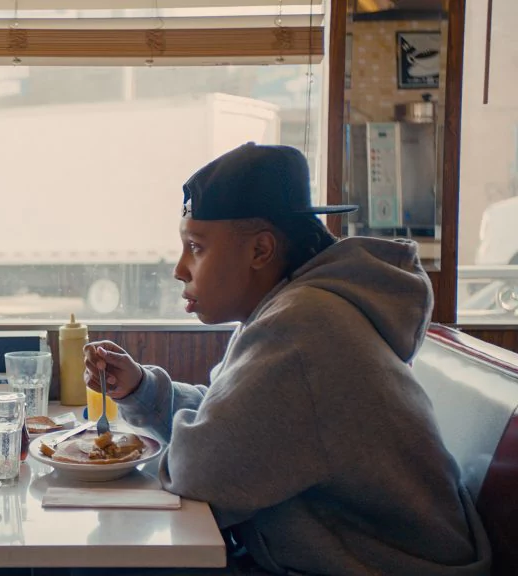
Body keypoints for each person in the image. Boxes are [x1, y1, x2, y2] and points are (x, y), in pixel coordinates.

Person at [84, 143, 492, 575]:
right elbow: (234, 425)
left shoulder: (302, 328)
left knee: (97, 563)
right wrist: (142, 389)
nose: (180, 269)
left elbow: (199, 472)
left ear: (261, 251)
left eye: (196, 247)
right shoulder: (299, 310)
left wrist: (173, 434)